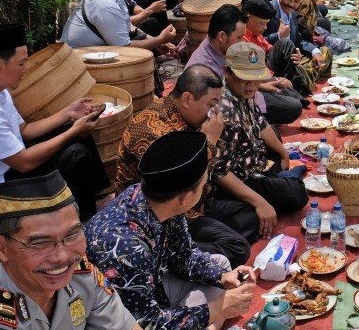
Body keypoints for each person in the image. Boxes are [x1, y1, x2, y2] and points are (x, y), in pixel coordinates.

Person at [86, 132, 256, 330]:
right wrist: (216, 310)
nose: (206, 188)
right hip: (125, 320)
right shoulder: (126, 246)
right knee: (220, 300)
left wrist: (221, 277)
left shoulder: (159, 199)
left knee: (221, 264)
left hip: (154, 289)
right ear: (184, 198)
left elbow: (184, 256)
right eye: (203, 185)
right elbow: (144, 324)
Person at [114, 65, 255, 267]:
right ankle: (170, 255)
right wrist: (210, 142)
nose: (214, 113)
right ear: (187, 99)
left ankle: (202, 245)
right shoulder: (153, 132)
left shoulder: (186, 116)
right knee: (237, 247)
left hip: (197, 202)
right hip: (164, 215)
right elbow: (182, 185)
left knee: (250, 213)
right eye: (211, 104)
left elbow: (214, 172)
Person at [1, 24, 113, 222]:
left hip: (17, 163)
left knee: (79, 134)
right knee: (75, 154)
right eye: (21, 64)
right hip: (8, 184)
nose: (25, 69)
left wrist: (68, 113)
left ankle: (100, 199)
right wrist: (72, 132)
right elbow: (23, 163)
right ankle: (76, 219)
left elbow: (25, 131)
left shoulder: (4, 93)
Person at [0, 171, 139, 329]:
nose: (62, 257)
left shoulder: (82, 277)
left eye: (72, 235)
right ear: (2, 248)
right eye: (40, 243)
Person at [210, 42, 309, 215]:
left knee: (278, 150)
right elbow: (220, 171)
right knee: (296, 193)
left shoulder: (243, 94)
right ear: (227, 72)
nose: (251, 86)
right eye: (244, 79)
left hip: (254, 161)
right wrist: (259, 202)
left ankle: (279, 176)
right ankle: (281, 180)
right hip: (240, 177)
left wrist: (283, 153)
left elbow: (261, 124)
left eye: (256, 80)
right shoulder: (223, 110)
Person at [240, 0, 306, 124]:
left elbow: (269, 48)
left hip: (261, 73)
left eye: (266, 23)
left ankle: (287, 91)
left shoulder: (254, 32)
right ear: (248, 17)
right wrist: (276, 80)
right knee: (295, 107)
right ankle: (286, 94)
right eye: (261, 24)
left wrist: (295, 53)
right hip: (251, 83)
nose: (265, 27)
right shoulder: (240, 38)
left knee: (286, 44)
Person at [266, 0, 332, 83]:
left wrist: (315, 52)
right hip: (272, 63)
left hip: (294, 56)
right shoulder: (267, 11)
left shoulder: (292, 14)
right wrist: (278, 36)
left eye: (296, 1)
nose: (292, 4)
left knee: (325, 52)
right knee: (302, 72)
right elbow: (256, 42)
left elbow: (298, 40)